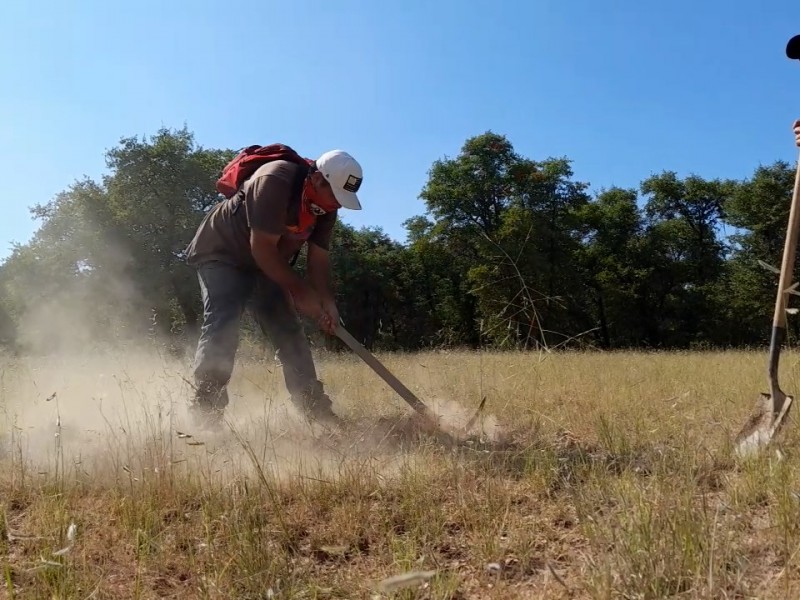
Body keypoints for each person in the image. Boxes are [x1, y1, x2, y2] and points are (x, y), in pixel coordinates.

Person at [183, 148, 364, 429]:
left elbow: (318, 259)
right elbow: (262, 248)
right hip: (222, 253)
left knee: (288, 328)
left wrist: (327, 301)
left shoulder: (327, 208)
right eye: (336, 197)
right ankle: (206, 410)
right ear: (317, 179)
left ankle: (316, 412)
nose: (337, 206)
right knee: (224, 317)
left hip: (266, 262)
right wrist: (300, 292)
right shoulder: (274, 179)